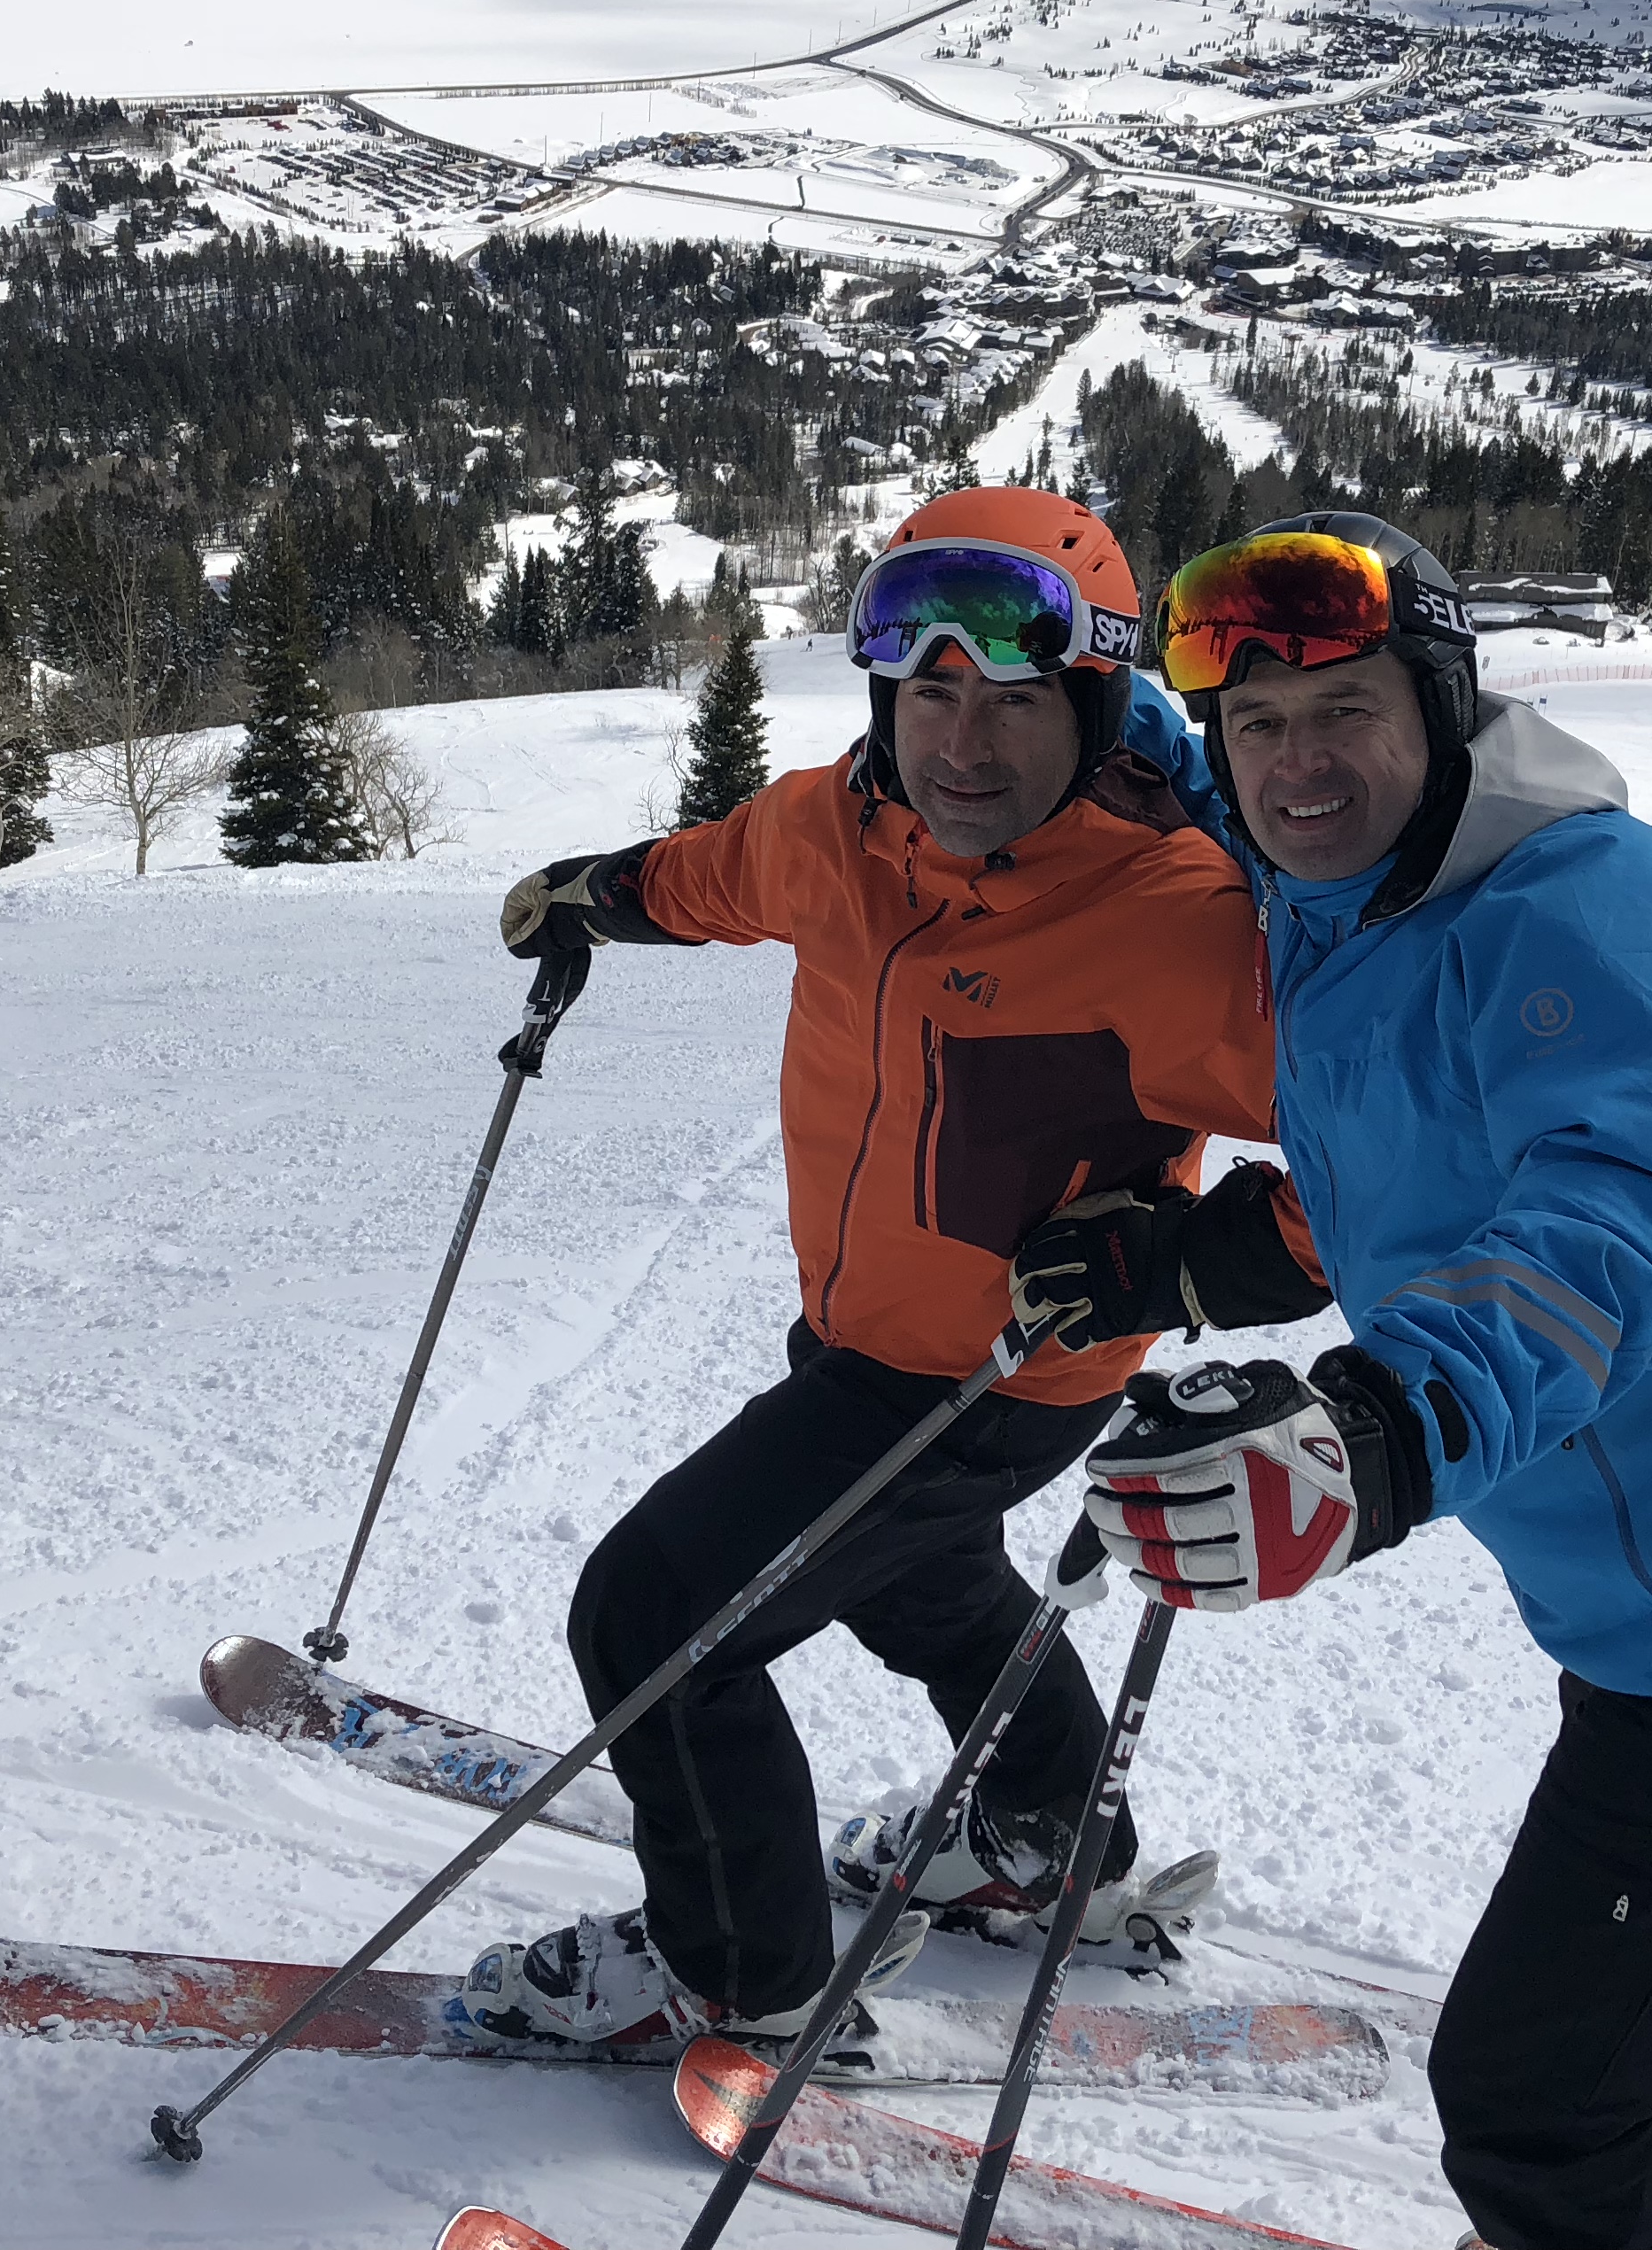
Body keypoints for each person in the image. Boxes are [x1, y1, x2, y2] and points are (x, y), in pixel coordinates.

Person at [1016, 511, 1652, 2247]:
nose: (1297, 764)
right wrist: (1187, 1264)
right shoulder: (1345, 892)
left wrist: (1382, 1431)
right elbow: (1404, 1173)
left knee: (1536, 2102)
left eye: (1347, 711)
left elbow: (1621, 1224)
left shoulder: (1586, 909)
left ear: (1445, 708)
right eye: (1259, 725)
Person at [461, 485, 1329, 2052]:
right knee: (924, 1586)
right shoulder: (837, 830)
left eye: (1015, 701)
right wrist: (604, 892)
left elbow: (1395, 1160)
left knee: (655, 1622)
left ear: (1095, 699)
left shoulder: (1173, 920)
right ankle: (1048, 1840)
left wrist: (1193, 1263)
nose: (964, 746)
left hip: (993, 1378)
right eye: (930, 693)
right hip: (860, 1335)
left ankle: (749, 1977)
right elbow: (716, 876)